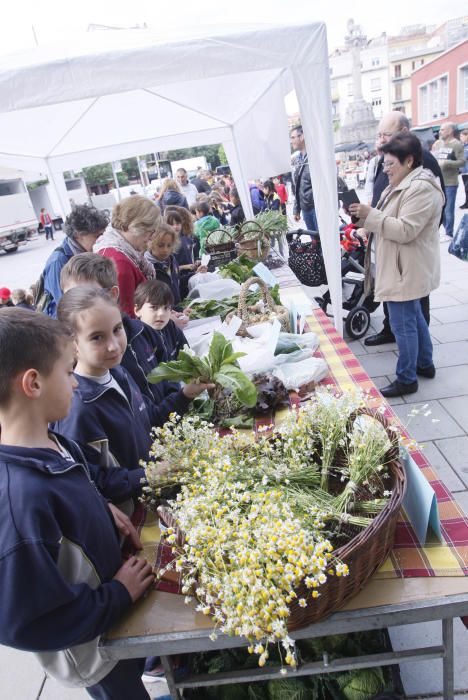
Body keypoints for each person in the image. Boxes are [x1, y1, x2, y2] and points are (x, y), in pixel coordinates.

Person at [0, 307, 155, 699]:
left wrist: (102, 506)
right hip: (92, 648)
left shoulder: (53, 439)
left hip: (115, 610)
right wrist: (117, 594)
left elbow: (78, 480)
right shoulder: (20, 502)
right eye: (68, 372)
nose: (74, 384)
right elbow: (25, 621)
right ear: (33, 383)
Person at [55, 287, 211, 473]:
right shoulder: (80, 408)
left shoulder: (119, 373)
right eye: (97, 337)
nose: (113, 345)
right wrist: (147, 475)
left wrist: (185, 394)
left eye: (117, 329)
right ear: (72, 344)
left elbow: (150, 420)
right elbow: (95, 481)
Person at [349, 133, 444, 398]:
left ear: (409, 161)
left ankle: (407, 379)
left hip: (406, 269)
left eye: (390, 164)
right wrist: (367, 217)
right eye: (384, 163)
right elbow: (390, 219)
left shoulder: (421, 188)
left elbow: (405, 230)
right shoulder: (406, 182)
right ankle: (425, 364)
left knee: (404, 325)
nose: (385, 169)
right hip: (405, 266)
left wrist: (371, 216)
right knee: (413, 318)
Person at [60, 253, 193, 407]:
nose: (76, 306)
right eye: (70, 298)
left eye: (87, 295)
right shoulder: (78, 368)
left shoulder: (144, 332)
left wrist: (177, 404)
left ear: (113, 294)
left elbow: (168, 375)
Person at [363, 111, 445, 347]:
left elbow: (425, 216)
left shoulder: (423, 163)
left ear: (404, 133)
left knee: (415, 307)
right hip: (389, 237)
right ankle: (393, 331)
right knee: (395, 301)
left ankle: (415, 354)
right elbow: (384, 192)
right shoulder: (388, 156)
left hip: (409, 249)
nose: (381, 139)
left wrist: (420, 241)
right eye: (379, 135)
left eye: (386, 134)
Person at [94, 195, 159, 317]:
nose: (152, 237)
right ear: (137, 227)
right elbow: (129, 318)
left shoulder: (115, 250)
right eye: (151, 231)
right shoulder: (120, 263)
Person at [40, 204, 109, 317]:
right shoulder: (58, 262)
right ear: (78, 236)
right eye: (97, 236)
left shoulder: (88, 252)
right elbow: (65, 307)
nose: (102, 240)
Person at [134, 280, 186, 361]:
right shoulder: (136, 340)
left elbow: (188, 355)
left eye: (166, 308)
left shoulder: (171, 327)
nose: (161, 314)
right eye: (154, 307)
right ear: (137, 310)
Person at [432, 122, 466, 237]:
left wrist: (447, 163)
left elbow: (462, 162)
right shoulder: (439, 144)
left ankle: (449, 233)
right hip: (438, 181)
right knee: (440, 209)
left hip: (451, 182)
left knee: (448, 210)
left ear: (450, 131)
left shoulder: (457, 144)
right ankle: (446, 229)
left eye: (442, 129)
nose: (440, 132)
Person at [144, 222, 182, 305]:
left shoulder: (172, 260)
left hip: (178, 309)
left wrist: (194, 274)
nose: (165, 250)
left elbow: (176, 280)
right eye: (160, 245)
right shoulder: (148, 267)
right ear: (150, 243)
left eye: (169, 245)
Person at [165, 207, 198, 298]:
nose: (175, 227)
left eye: (178, 223)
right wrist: (185, 266)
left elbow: (191, 256)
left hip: (191, 276)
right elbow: (169, 269)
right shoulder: (167, 244)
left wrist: (195, 262)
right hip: (179, 280)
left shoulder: (186, 238)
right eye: (172, 224)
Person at [290, 125, 318, 232]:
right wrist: (296, 209)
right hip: (306, 209)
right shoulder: (297, 160)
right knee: (315, 243)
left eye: (293, 137)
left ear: (302, 137)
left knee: (323, 240)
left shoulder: (315, 156)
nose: (291, 141)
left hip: (317, 207)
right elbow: (297, 186)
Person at [460, 128, 468, 209]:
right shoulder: (462, 146)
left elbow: (464, 157)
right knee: (466, 189)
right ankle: (466, 202)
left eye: (462, 136)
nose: (460, 138)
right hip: (464, 171)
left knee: (467, 188)